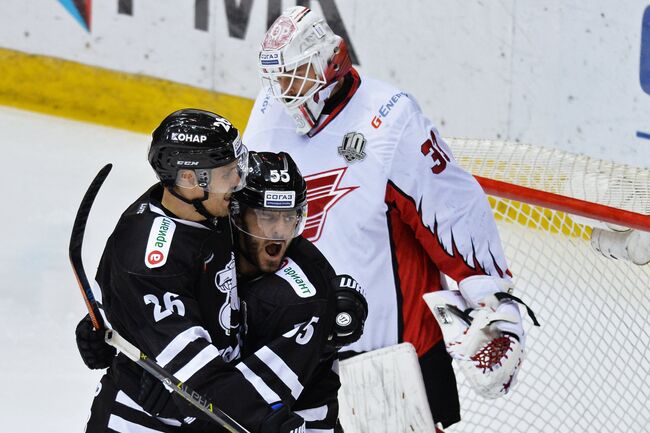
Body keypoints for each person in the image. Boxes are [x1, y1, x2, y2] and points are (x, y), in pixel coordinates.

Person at [243, 6, 531, 431]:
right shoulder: (270, 110)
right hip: (300, 349)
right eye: (277, 78)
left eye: (296, 74)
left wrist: (493, 300)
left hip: (391, 360)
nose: (285, 90)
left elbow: (452, 207)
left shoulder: (390, 117)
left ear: (330, 61)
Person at [77, 147, 368, 432]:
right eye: (267, 217)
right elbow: (156, 288)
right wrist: (115, 320)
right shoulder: (205, 240)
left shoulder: (302, 296)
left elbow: (248, 409)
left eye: (289, 217)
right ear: (235, 214)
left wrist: (174, 398)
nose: (280, 231)